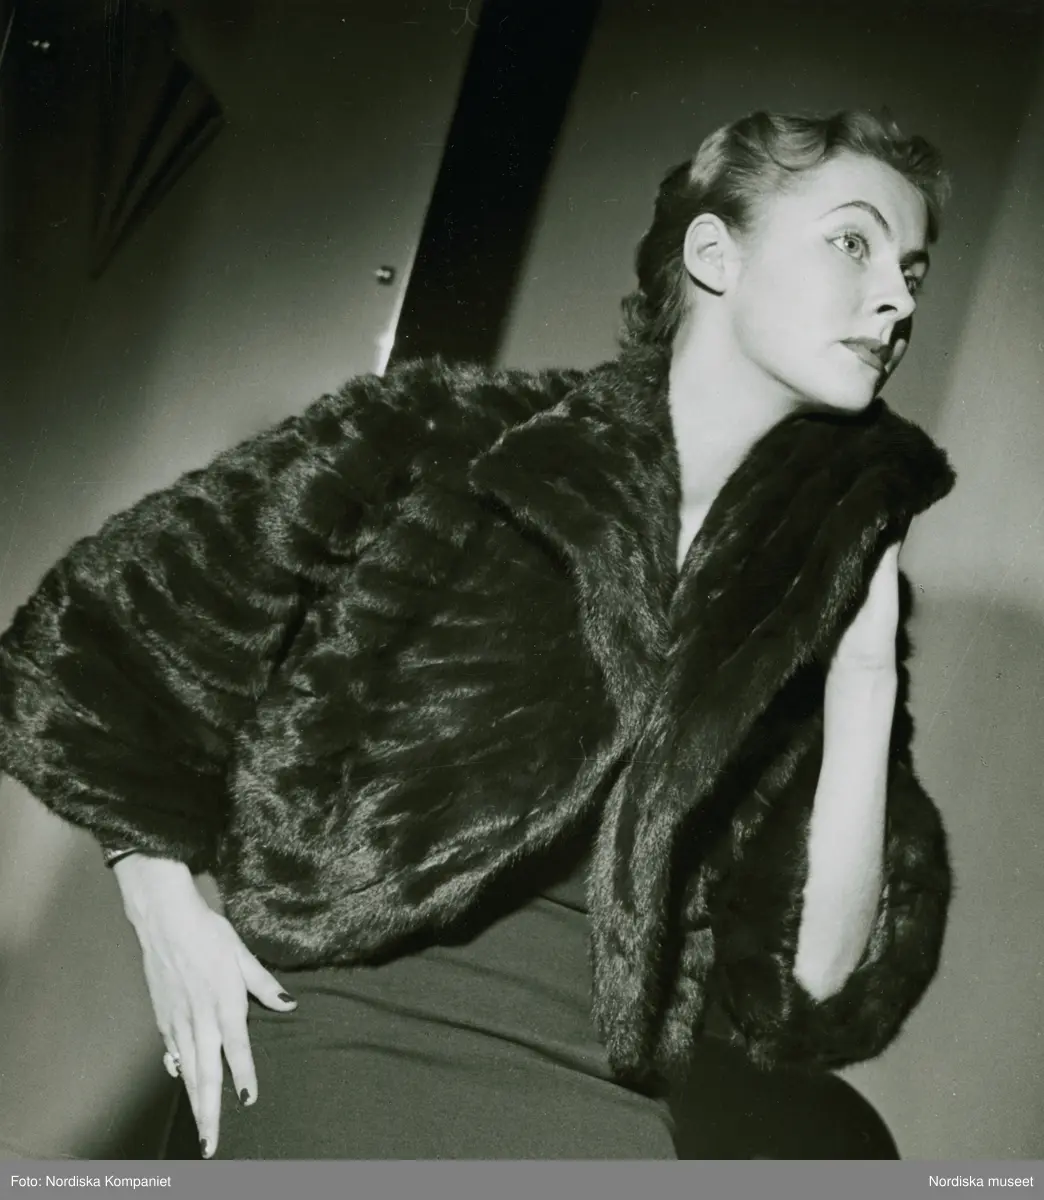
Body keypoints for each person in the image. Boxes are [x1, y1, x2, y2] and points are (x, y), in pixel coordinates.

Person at [0, 107, 956, 1160]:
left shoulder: (809, 596)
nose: (898, 299)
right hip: (340, 1049)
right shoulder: (440, 438)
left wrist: (865, 669)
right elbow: (94, 645)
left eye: (913, 271)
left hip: (598, 1102)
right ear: (714, 255)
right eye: (855, 242)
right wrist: (166, 914)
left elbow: (813, 991)